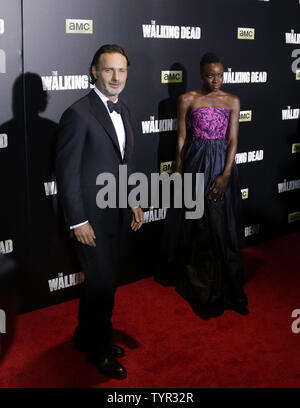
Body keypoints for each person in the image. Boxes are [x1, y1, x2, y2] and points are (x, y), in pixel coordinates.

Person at [56, 44, 143, 379]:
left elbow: (124, 164)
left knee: (101, 284)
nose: (116, 77)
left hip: (115, 213)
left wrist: (133, 199)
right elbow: (67, 173)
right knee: (103, 285)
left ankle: (84, 337)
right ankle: (98, 349)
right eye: (109, 70)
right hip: (89, 219)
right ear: (94, 71)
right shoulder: (78, 114)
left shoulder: (125, 111)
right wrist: (77, 220)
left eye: (122, 70)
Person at [158, 52, 248, 315]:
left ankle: (229, 290)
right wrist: (179, 170)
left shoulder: (232, 101)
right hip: (196, 162)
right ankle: (203, 289)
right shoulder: (187, 99)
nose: (216, 80)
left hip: (221, 163)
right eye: (211, 75)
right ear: (201, 74)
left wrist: (226, 174)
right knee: (198, 226)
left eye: (220, 74)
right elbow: (181, 139)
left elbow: (233, 140)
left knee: (222, 227)